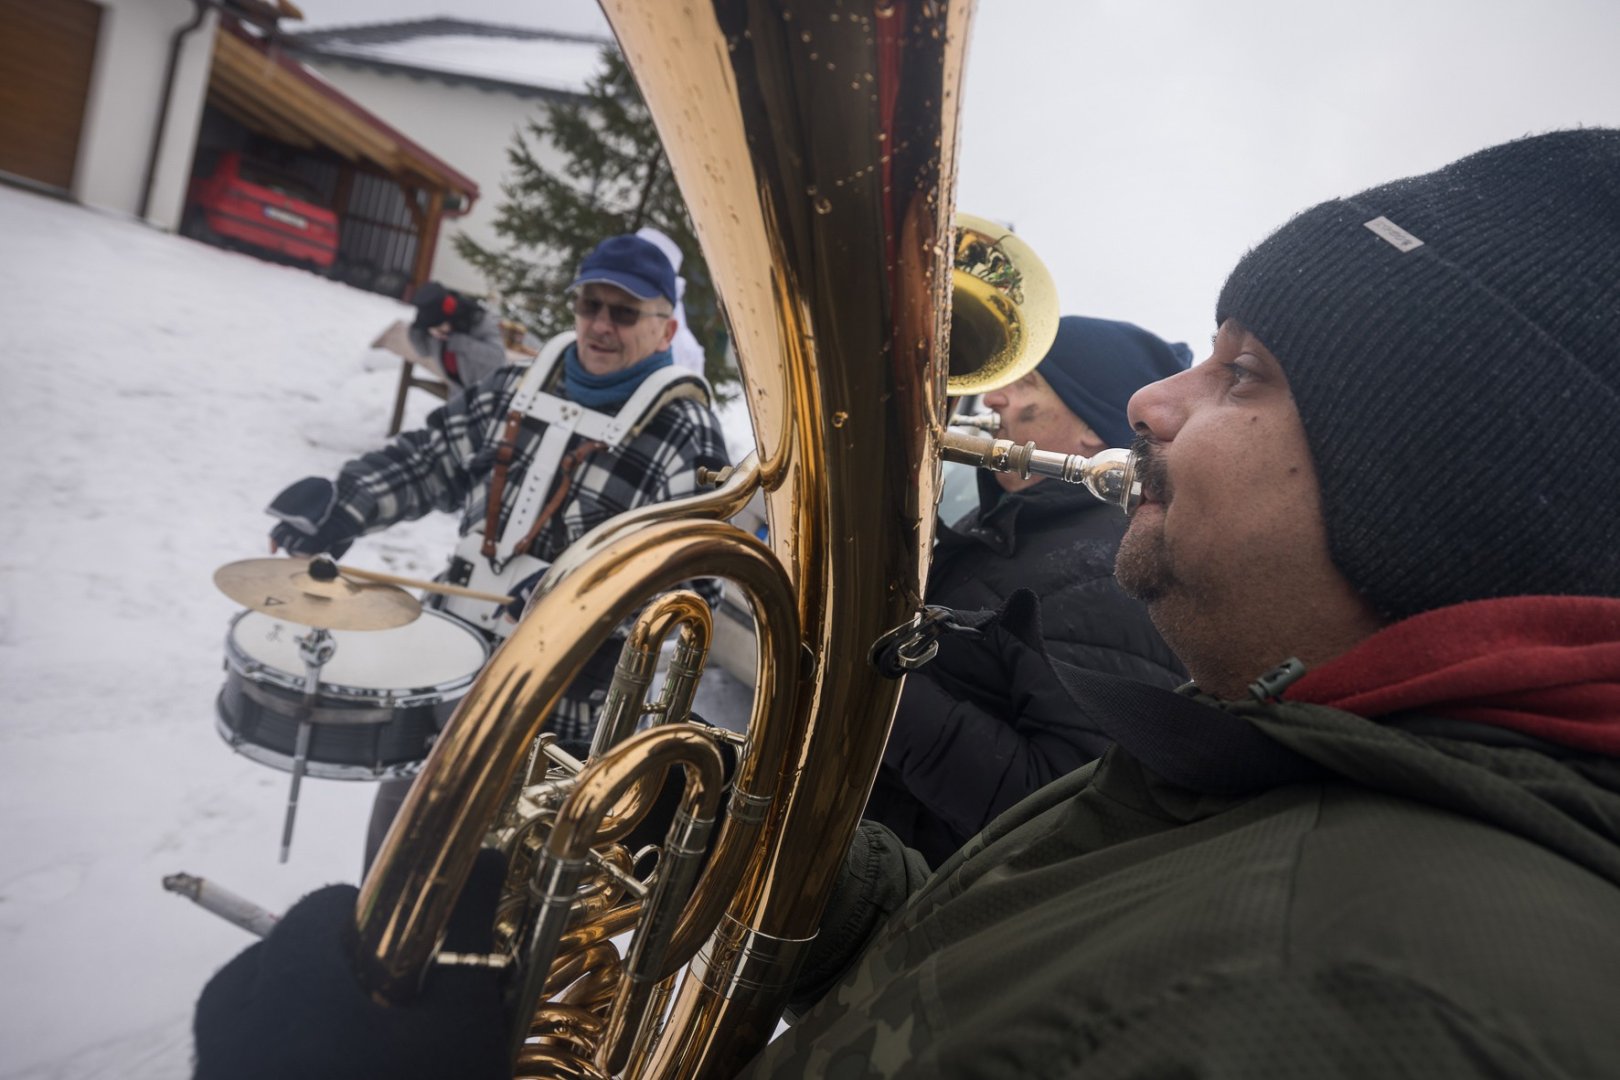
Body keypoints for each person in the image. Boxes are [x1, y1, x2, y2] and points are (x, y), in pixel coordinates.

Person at [198, 129, 1620, 1078]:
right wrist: (742, 846)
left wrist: (874, 665)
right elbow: (1019, 948)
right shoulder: (1276, 759)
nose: (1153, 400)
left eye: (1244, 373)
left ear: (1421, 485)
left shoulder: (1344, 995)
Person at [265, 234, 729, 857]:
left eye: (623, 312)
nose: (600, 324)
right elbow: (432, 458)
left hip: (559, 710)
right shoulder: (516, 387)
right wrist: (340, 505)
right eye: (589, 305)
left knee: (491, 878)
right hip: (447, 669)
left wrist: (581, 604)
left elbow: (695, 588)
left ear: (665, 327)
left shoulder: (687, 434)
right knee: (398, 843)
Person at [866, 315, 1190, 865]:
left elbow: (1053, 813)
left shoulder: (1107, 575)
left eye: (1026, 382)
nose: (993, 398)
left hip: (900, 879)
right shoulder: (1017, 522)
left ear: (1092, 433)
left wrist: (876, 684)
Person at [405, 280, 508, 389]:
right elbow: (423, 351)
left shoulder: (480, 321)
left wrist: (462, 343)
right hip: (459, 393)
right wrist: (417, 328)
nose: (437, 333)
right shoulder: (436, 333)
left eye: (439, 327)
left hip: (488, 389)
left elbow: (498, 357)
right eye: (432, 329)